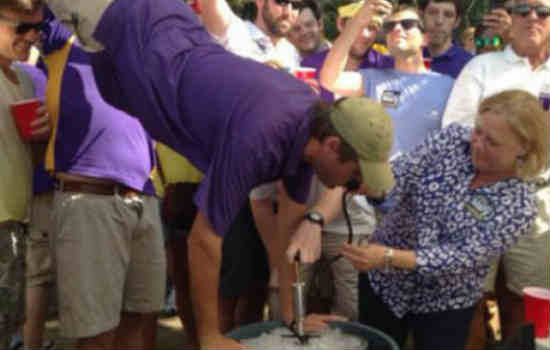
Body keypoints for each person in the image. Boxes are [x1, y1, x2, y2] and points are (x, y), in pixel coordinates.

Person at [40, 2, 399, 348]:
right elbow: (205, 239)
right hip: (126, 14)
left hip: (155, 36)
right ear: (333, 146)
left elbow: (287, 233)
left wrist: (293, 314)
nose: (351, 189)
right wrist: (210, 337)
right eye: (354, 179)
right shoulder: (264, 132)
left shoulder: (307, 133)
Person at [342, 90, 549, 349]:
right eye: (478, 131)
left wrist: (388, 256)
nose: (477, 142)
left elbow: (459, 256)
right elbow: (405, 170)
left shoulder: (520, 205)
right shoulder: (452, 139)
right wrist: (374, 185)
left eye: (492, 142)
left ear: (524, 148)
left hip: (444, 304)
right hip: (385, 284)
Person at [35, 15, 167, 348]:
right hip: (88, 197)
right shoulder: (62, 32)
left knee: (142, 317)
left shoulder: (141, 42)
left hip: (144, 197)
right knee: (97, 333)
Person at [443, 0, 550, 345]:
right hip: (483, 195)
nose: (533, 17)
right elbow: (455, 130)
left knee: (530, 298)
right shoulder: (482, 66)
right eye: (523, 10)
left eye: (543, 11)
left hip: (540, 199)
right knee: (471, 297)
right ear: (511, 17)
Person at [320, 3, 454, 157]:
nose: (397, 29)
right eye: (390, 26)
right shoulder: (373, 79)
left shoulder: (448, 85)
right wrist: (358, 20)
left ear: (425, 38)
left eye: (407, 24)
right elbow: (330, 80)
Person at [0, 0, 49, 347]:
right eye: (21, 27)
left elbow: (26, 155)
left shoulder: (24, 82)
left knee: (7, 321)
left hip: (17, 219)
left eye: (37, 28)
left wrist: (40, 137)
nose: (31, 36)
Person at [301, 0, 394, 102]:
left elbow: (393, 107)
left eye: (371, 28)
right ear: (340, 24)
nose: (365, 35)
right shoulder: (309, 67)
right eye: (358, 26)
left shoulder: (387, 66)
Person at [199, 0, 301, 68]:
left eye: (296, 5)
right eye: (282, 1)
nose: (288, 12)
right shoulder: (236, 32)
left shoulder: (291, 52)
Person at [421, 0, 473, 78]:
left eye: (448, 15)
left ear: (457, 22)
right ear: (421, 16)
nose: (439, 21)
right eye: (433, 13)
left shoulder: (470, 65)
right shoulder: (402, 59)